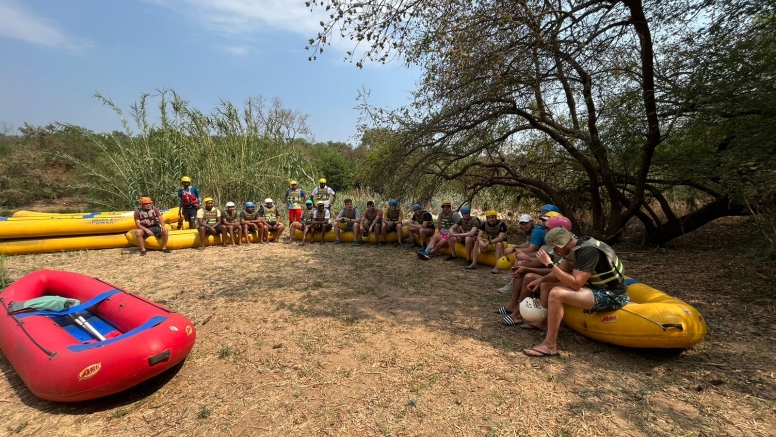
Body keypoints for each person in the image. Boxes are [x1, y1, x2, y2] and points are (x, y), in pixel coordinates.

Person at [522, 227, 629, 358]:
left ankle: (550, 345)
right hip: (595, 288)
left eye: (555, 248)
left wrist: (549, 264)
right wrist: (541, 280)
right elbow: (558, 275)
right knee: (547, 284)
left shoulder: (588, 251)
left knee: (556, 293)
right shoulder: (572, 248)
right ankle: (543, 323)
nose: (555, 251)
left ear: (563, 244)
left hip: (613, 296)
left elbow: (576, 284)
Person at [497, 213, 547, 293]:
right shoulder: (532, 230)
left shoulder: (537, 232)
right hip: (540, 253)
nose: (524, 226)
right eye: (522, 224)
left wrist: (514, 250)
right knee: (518, 255)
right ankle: (514, 277)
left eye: (526, 223)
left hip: (544, 255)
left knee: (520, 259)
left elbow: (531, 249)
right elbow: (527, 244)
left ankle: (512, 284)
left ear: (531, 222)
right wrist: (514, 248)